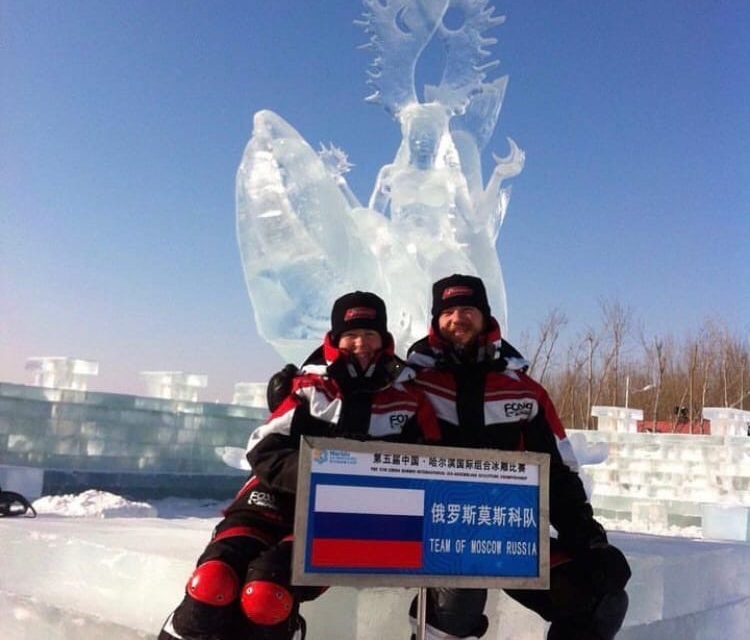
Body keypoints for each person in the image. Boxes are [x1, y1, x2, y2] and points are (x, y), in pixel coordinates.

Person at [160, 291, 440, 640]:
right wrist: (314, 479)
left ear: (384, 339)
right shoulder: (310, 387)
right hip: (271, 499)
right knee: (213, 580)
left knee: (266, 595)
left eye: (369, 334)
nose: (361, 343)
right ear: (336, 338)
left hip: (344, 518)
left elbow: (430, 465)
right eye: (351, 334)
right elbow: (264, 447)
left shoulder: (408, 398)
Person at [398, 274, 631, 640]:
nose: (459, 318)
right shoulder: (409, 384)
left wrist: (589, 539)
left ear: (485, 316)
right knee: (460, 594)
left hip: (508, 536)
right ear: (436, 320)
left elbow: (556, 472)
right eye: (450, 311)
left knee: (600, 597)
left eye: (468, 309)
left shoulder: (524, 392)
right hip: (432, 536)